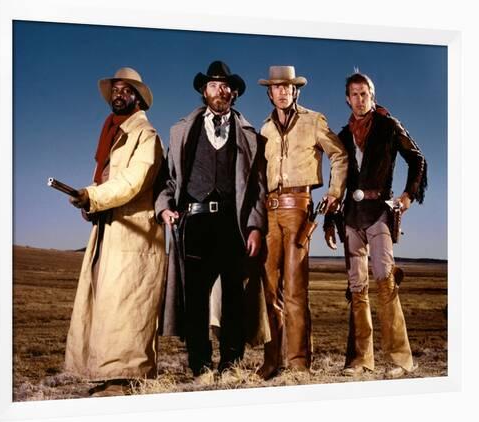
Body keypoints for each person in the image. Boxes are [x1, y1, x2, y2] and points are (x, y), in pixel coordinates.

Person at [155, 60, 269, 380]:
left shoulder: (250, 136)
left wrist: (256, 226)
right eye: (214, 85)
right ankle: (200, 365)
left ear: (234, 93)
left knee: (234, 295)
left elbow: (258, 186)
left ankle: (231, 363)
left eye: (226, 86)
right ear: (204, 91)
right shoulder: (181, 131)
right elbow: (167, 179)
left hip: (233, 225)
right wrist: (165, 208)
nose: (221, 90)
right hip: (194, 222)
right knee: (195, 299)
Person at [64, 67, 166, 396]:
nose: (118, 94)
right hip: (112, 228)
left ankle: (124, 379)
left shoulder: (145, 135)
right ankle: (107, 375)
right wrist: (89, 200)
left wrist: (93, 196)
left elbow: (133, 182)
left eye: (125, 89)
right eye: (115, 90)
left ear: (137, 97)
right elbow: (109, 181)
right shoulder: (113, 134)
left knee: (128, 305)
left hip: (136, 232)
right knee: (108, 303)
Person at [324, 72, 427, 378]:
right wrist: (331, 219)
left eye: (364, 93)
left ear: (372, 95)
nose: (359, 99)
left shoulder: (388, 125)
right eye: (354, 94)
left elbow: (417, 159)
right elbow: (337, 181)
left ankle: (400, 360)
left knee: (385, 280)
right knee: (357, 287)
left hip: (380, 212)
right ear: (347, 98)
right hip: (351, 216)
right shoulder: (343, 135)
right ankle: (359, 360)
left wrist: (408, 196)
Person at [256, 66, 348, 379]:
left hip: (298, 209)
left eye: (287, 87)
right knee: (269, 291)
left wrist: (335, 192)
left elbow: (340, 155)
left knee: (295, 290)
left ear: (296, 91)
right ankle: (272, 360)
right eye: (276, 87)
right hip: (268, 212)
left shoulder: (314, 120)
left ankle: (297, 364)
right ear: (269, 92)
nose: (282, 92)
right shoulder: (264, 129)